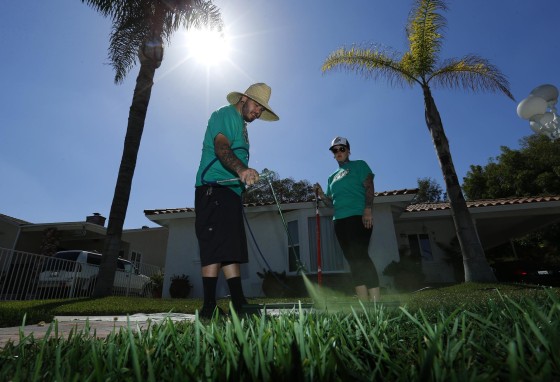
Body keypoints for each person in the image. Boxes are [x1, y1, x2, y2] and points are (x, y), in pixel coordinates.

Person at [194, 83, 279, 318]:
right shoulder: (226, 114)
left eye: (262, 110)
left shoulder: (242, 126)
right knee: (213, 247)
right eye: (257, 106)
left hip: (230, 193)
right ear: (244, 99)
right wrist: (242, 170)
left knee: (231, 248)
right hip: (212, 188)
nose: (258, 112)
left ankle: (239, 302)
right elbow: (221, 148)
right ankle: (209, 306)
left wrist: (244, 179)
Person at [314, 136, 380, 302]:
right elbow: (330, 203)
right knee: (352, 259)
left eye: (342, 148)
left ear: (348, 151)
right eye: (335, 150)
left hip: (358, 215)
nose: (338, 152)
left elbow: (369, 186)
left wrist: (367, 210)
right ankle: (363, 302)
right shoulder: (331, 177)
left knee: (361, 256)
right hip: (340, 220)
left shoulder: (359, 165)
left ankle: (376, 301)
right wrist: (322, 194)